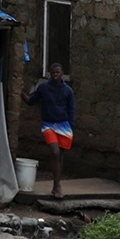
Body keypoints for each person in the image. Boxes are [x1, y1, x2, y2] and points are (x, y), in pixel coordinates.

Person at [24, 64, 74, 198]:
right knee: (54, 151)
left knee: (60, 156)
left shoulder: (67, 90)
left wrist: (71, 126)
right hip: (48, 124)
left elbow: (71, 110)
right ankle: (57, 186)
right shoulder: (44, 88)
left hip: (64, 125)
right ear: (50, 74)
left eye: (57, 72)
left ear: (62, 73)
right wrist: (19, 93)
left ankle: (56, 185)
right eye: (52, 73)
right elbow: (31, 101)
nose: (55, 75)